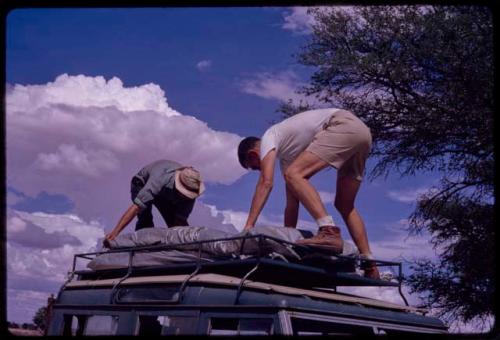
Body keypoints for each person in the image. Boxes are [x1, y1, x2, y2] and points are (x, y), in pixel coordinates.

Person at [237, 108, 379, 279]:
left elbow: (266, 183)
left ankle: (328, 231)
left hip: (342, 125)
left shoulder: (269, 136)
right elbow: (292, 204)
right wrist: (287, 239)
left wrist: (248, 226)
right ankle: (370, 264)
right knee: (344, 205)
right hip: (362, 135)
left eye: (254, 166)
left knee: (294, 175)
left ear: (253, 154)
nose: (257, 169)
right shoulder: (289, 156)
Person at [103, 159, 205, 246]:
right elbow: (136, 208)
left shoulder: (191, 192)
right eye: (183, 193)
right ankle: (141, 250)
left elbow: (180, 221)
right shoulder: (160, 180)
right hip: (141, 183)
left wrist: (189, 243)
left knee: (174, 225)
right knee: (145, 219)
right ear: (178, 186)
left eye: (186, 195)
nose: (185, 197)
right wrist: (114, 233)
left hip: (165, 193)